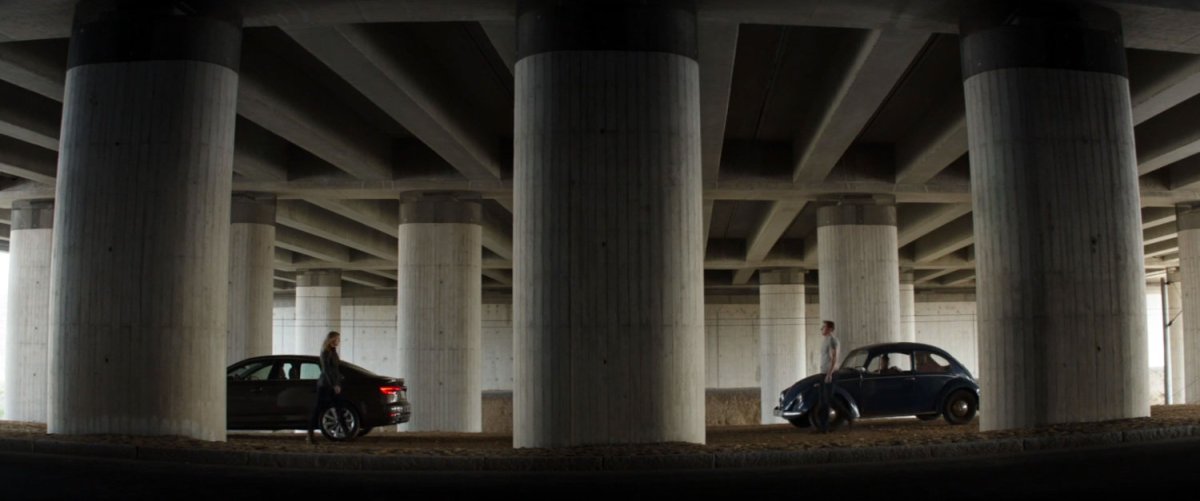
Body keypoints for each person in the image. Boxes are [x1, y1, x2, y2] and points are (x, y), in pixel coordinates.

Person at [307, 331, 352, 444]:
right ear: (331, 339)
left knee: (339, 407)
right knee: (319, 409)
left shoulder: (333, 351)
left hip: (332, 384)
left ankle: (346, 434)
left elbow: (335, 369)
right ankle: (310, 435)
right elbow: (327, 371)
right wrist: (334, 385)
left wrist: (339, 380)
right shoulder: (326, 352)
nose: (339, 341)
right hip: (326, 385)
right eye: (337, 339)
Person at [814, 320, 853, 433]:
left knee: (828, 399)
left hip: (830, 373)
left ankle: (847, 416)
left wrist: (830, 374)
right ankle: (822, 427)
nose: (822, 329)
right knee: (822, 401)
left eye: (824, 327)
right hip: (823, 373)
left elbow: (834, 358)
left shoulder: (832, 340)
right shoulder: (824, 341)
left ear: (830, 329)